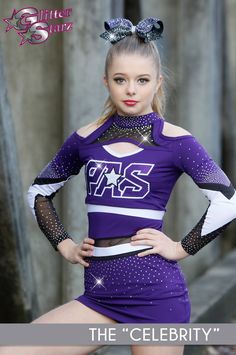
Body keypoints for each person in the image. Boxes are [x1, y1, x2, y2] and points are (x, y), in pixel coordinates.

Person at [1, 17, 236, 355]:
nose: (130, 90)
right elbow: (39, 191)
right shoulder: (86, 138)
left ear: (157, 83)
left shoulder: (176, 141)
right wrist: (63, 244)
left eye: (142, 80)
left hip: (156, 301)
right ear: (106, 82)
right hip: (99, 299)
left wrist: (181, 248)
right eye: (120, 79)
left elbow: (228, 201)